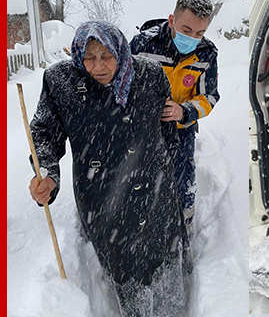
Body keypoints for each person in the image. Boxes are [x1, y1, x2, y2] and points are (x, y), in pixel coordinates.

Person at [28, 21, 187, 316]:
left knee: (164, 262)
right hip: (103, 195)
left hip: (155, 186)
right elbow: (43, 132)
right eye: (89, 57)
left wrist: (165, 169)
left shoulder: (150, 75)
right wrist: (48, 173)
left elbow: (168, 132)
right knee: (125, 269)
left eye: (106, 55)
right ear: (78, 55)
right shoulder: (61, 83)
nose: (98, 65)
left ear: (120, 50)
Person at [130, 0, 220, 237]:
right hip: (144, 129)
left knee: (183, 179)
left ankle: (184, 228)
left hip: (181, 128)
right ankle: (143, 227)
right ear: (172, 20)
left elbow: (210, 97)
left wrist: (185, 110)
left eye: (200, 33)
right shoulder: (142, 45)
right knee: (141, 179)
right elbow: (123, 87)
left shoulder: (206, 54)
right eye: (187, 30)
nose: (192, 38)